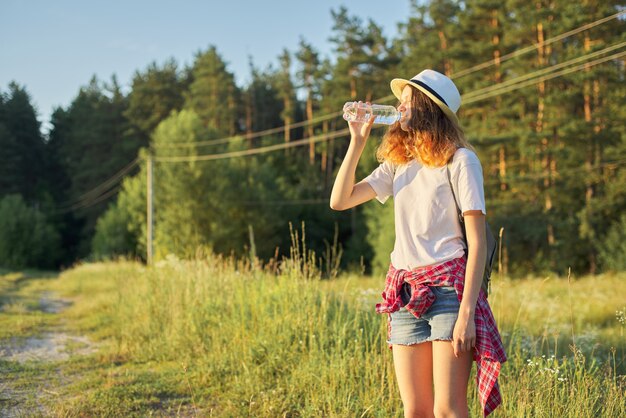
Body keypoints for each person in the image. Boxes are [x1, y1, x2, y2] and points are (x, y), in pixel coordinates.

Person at [330, 69, 506, 418]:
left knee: (448, 409)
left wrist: (467, 314)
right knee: (416, 411)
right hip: (405, 292)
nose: (398, 107)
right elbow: (340, 200)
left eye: (406, 101)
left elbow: (477, 244)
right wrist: (357, 141)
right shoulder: (399, 162)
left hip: (449, 293)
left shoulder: (461, 161)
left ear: (426, 107)